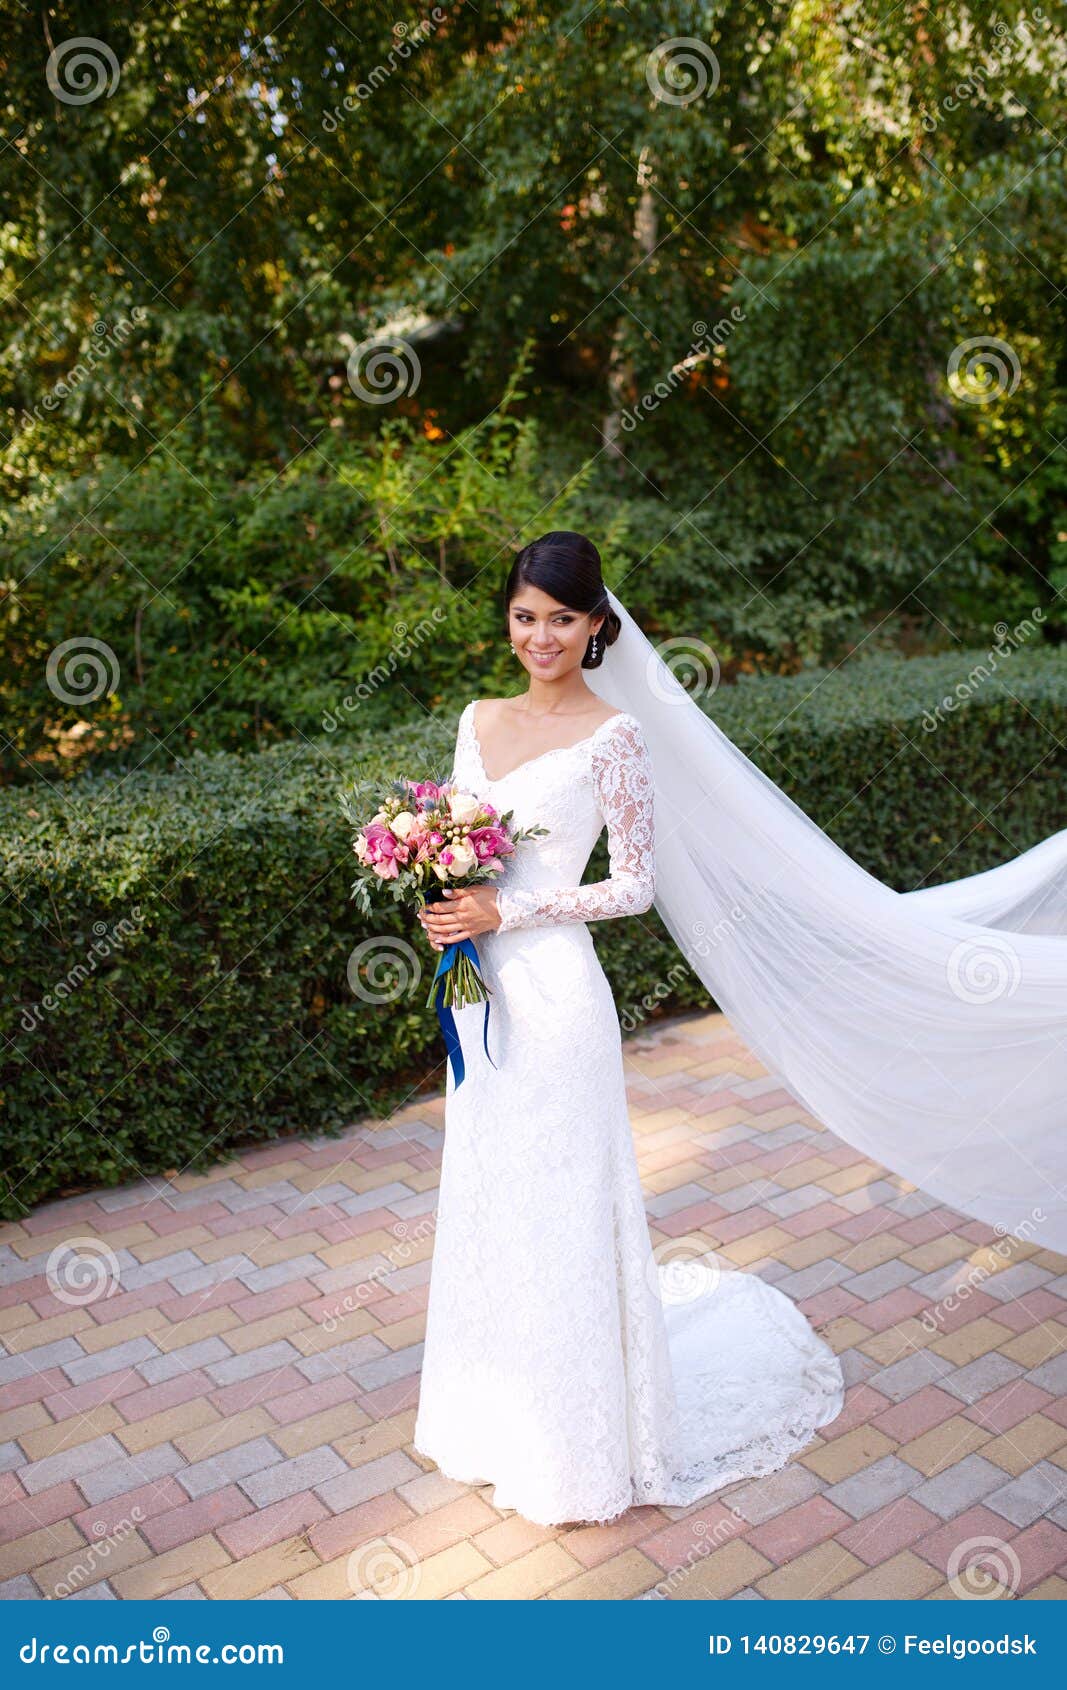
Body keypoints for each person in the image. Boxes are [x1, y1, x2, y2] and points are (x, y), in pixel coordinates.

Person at [411, 531, 846, 1528]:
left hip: (558, 1000)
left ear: (596, 625)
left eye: (562, 618)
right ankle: (493, 1418)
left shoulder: (612, 736)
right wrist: (443, 894)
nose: (540, 635)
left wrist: (506, 912)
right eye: (525, 615)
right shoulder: (475, 720)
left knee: (564, 1203)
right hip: (475, 989)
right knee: (488, 1191)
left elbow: (635, 886)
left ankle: (579, 1448)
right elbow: (460, 843)